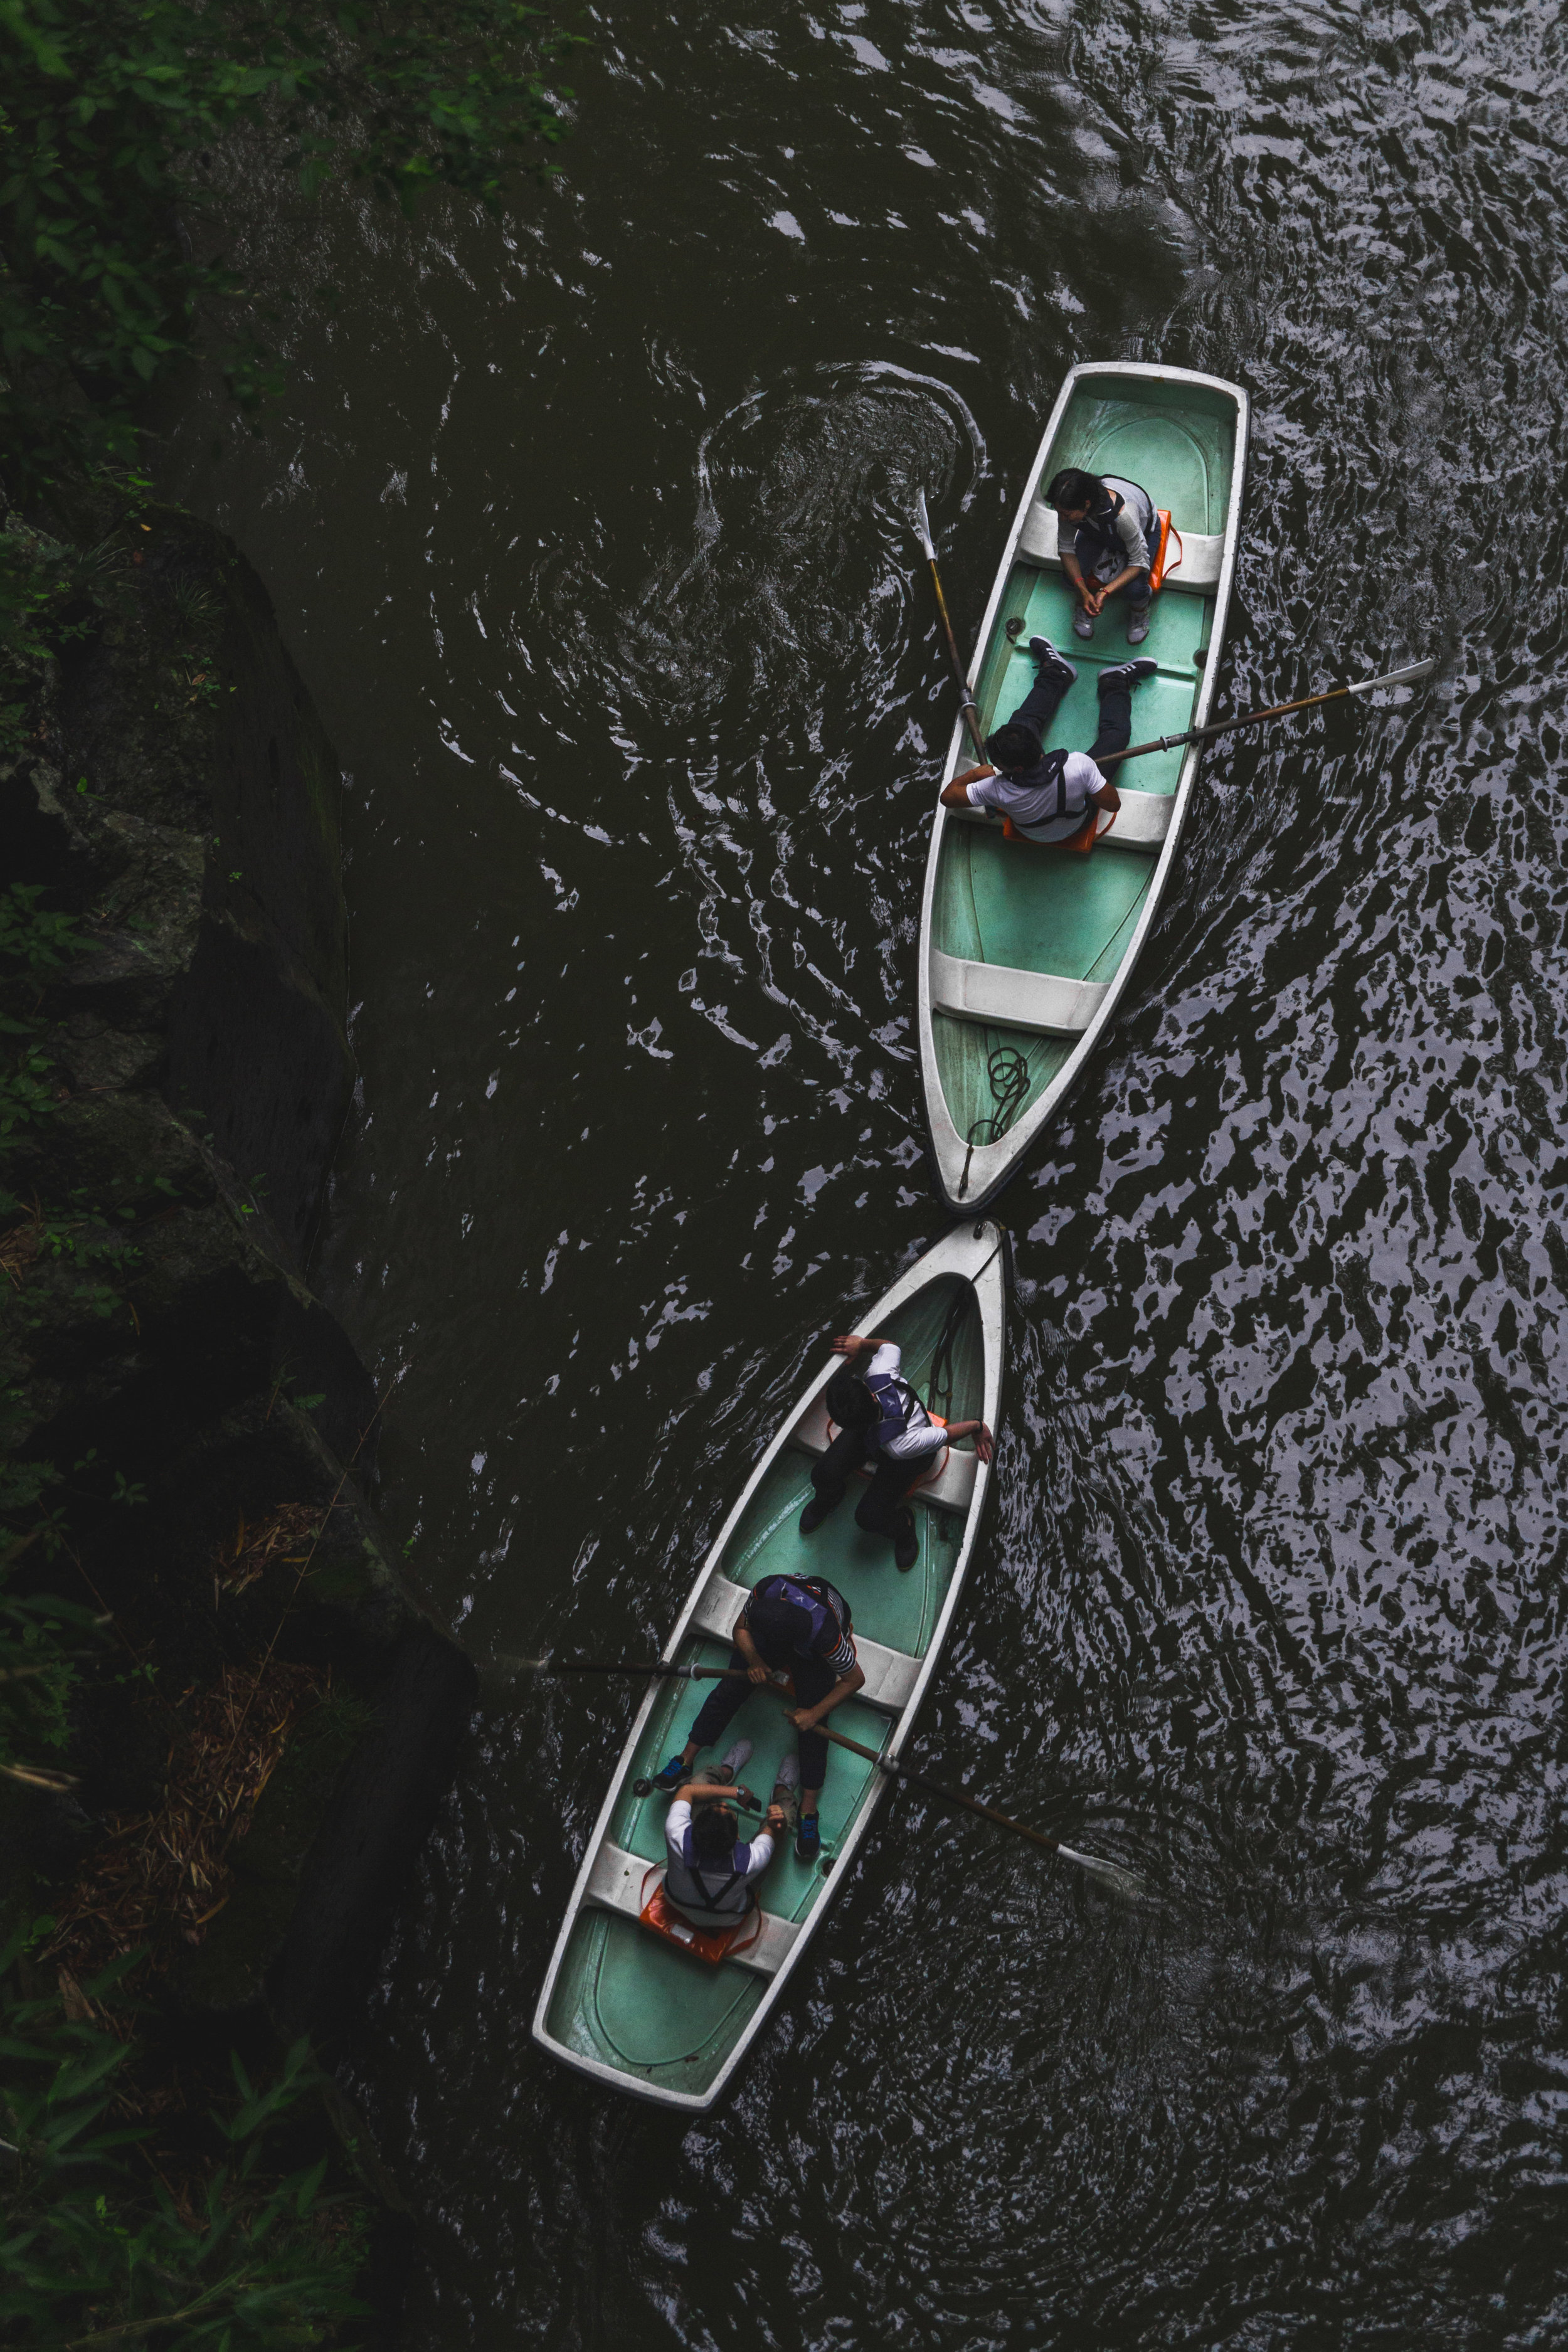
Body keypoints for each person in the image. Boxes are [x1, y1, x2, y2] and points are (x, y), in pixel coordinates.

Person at [652, 1572, 866, 1866]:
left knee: (815, 1727)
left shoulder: (827, 1635)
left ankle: (808, 1809)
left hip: (811, 1653)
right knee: (730, 1688)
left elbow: (854, 1680)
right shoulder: (766, 1590)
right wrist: (755, 1661)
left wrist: (812, 1714)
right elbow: (740, 1628)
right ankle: (686, 1759)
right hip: (773, 1635)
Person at [801, 1330, 995, 1571]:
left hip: (906, 1460)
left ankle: (903, 1526)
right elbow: (890, 1346)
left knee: (868, 1518)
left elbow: (946, 1435)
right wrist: (862, 1345)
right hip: (871, 1434)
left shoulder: (904, 1445)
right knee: (822, 1474)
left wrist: (977, 1426)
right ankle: (830, 1499)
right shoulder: (878, 1374)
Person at [940, 637, 1156, 846]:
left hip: (1035, 834)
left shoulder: (994, 789)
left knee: (1023, 721)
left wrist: (975, 774)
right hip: (1077, 825)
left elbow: (948, 797)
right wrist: (1088, 782)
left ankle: (1056, 672)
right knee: (1117, 734)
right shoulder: (1079, 766)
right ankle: (1115, 682)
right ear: (1039, 747)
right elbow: (1113, 804)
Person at [662, 1738, 795, 1930]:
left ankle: (726, 1772)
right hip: (727, 1918)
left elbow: (688, 1791)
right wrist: (778, 1820)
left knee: (699, 1783)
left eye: (720, 1805)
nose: (724, 1803)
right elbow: (776, 1830)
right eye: (725, 1807)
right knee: (786, 1812)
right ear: (738, 1838)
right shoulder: (752, 1859)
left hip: (676, 1900)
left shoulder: (676, 1832)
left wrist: (734, 1792)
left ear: (694, 1825)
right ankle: (782, 1790)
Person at [1045, 467, 1157, 644]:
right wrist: (1083, 591)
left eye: (1066, 514)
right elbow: (1066, 547)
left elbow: (1139, 561)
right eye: (1059, 512)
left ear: (1086, 504)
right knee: (1070, 575)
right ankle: (1083, 603)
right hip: (1098, 530)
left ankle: (1140, 611)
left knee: (1134, 589)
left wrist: (1104, 592)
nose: (1062, 518)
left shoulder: (1124, 516)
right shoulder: (1069, 509)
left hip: (1140, 529)